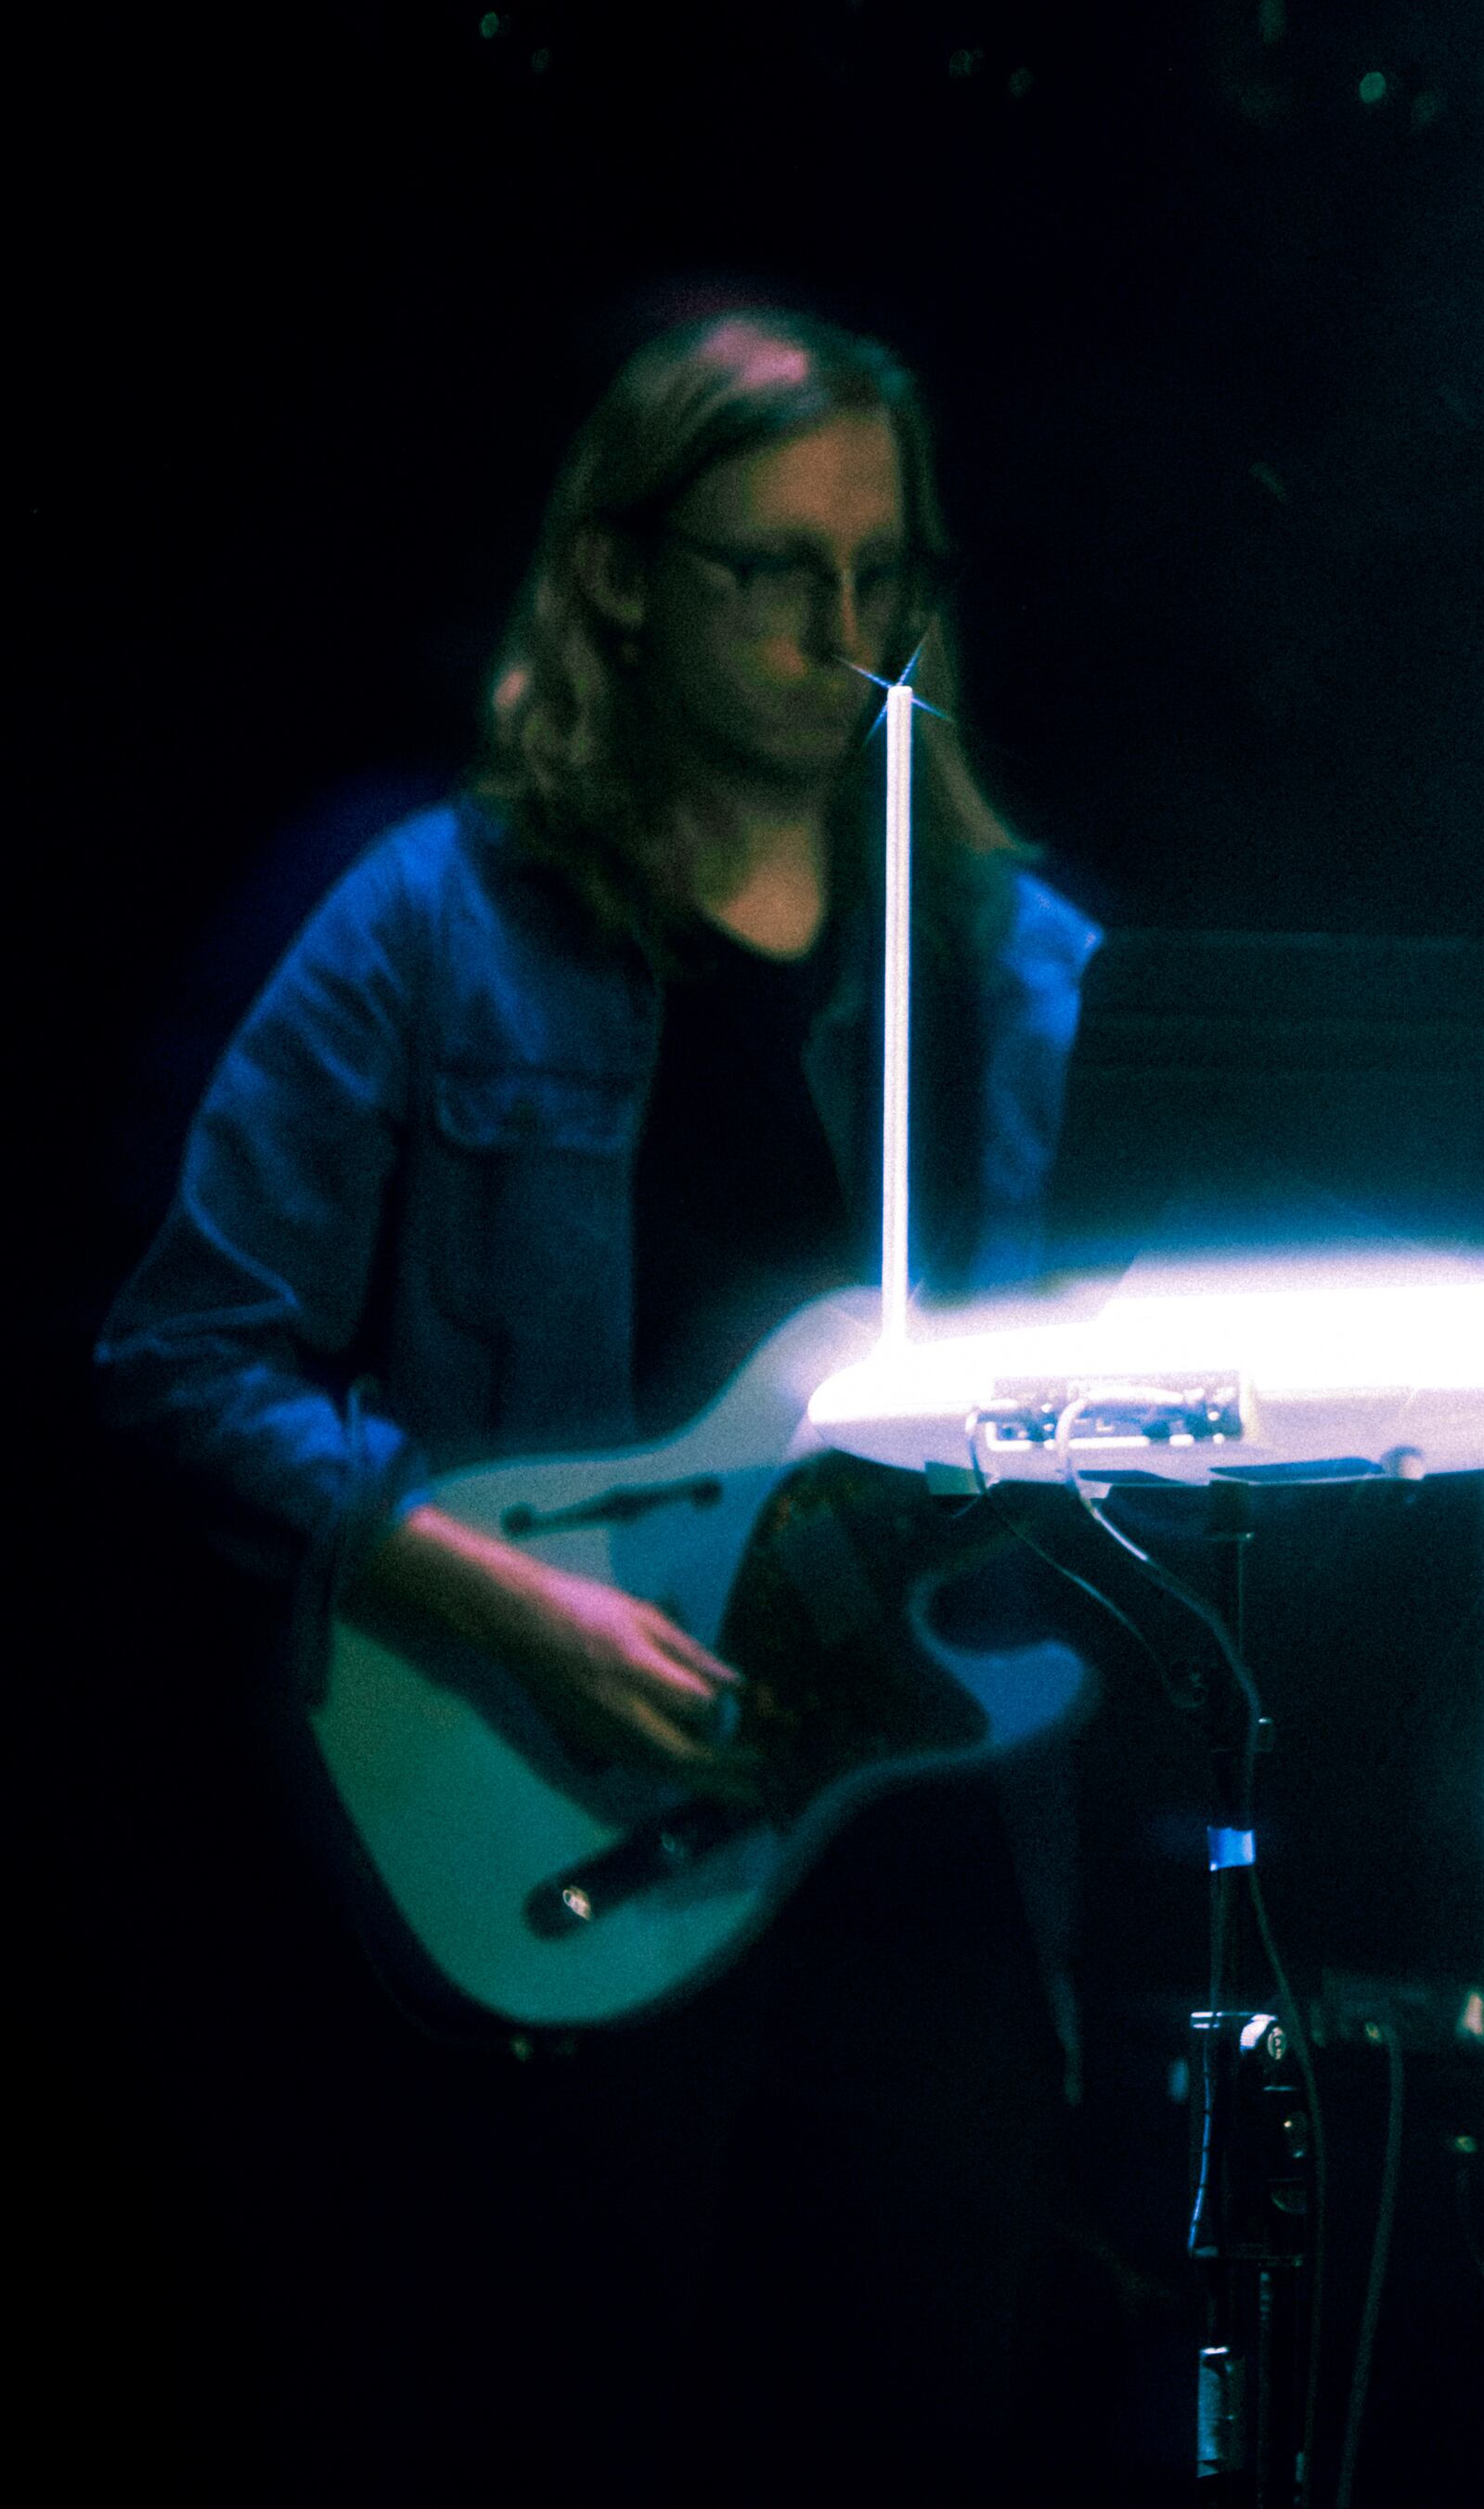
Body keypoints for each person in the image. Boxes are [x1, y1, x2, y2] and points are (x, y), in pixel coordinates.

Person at [96, 308, 1099, 2498]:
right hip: (565, 1825)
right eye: (780, 572)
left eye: (884, 578)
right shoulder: (434, 924)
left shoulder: (1014, 967)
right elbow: (177, 1346)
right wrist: (471, 1586)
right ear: (628, 574)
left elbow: (1040, 1433)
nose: (844, 636)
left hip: (912, 1865)